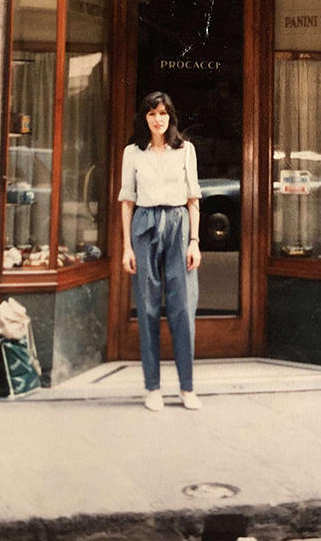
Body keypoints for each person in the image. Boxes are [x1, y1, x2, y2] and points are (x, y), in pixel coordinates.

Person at [119, 91, 202, 411]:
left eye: (163, 113)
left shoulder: (186, 151)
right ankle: (152, 386)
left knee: (182, 306)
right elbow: (127, 200)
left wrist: (194, 241)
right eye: (152, 113)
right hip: (144, 224)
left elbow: (193, 198)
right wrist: (127, 246)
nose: (158, 119)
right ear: (145, 118)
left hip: (179, 223)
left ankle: (187, 387)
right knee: (148, 306)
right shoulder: (133, 152)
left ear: (171, 118)